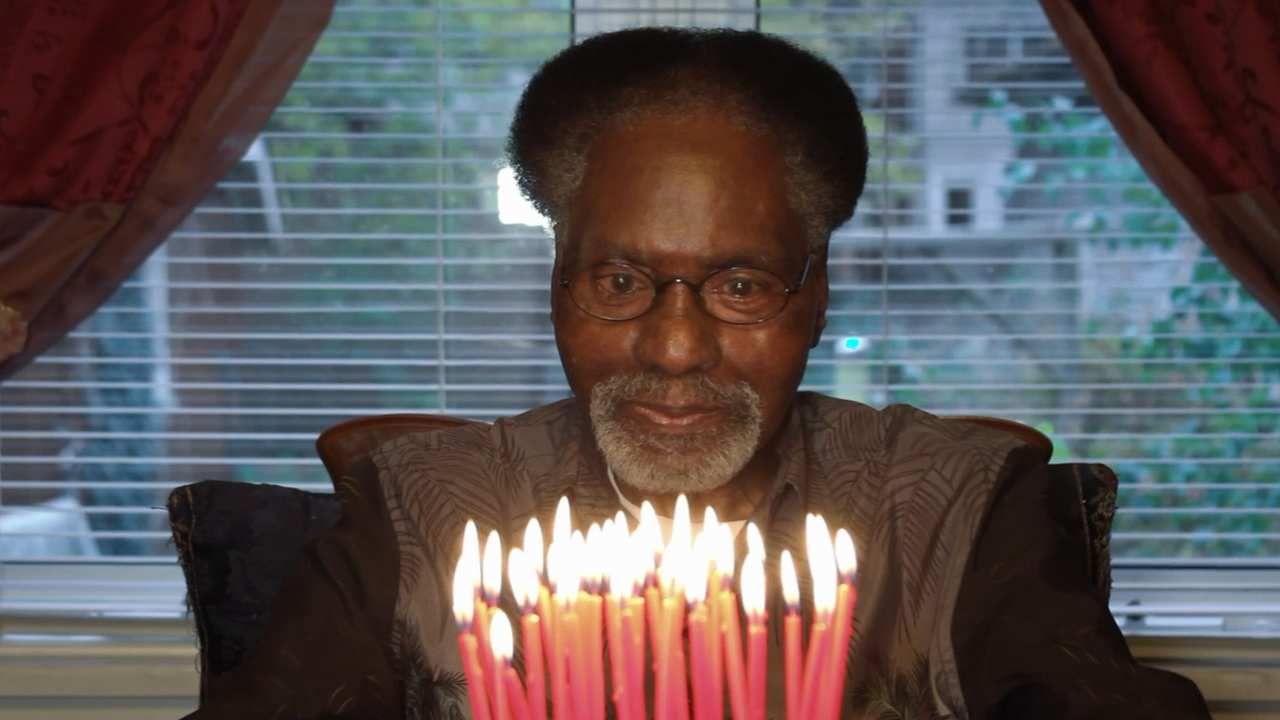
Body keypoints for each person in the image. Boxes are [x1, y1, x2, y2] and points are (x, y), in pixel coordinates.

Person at [187, 28, 1210, 719]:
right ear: (556, 285)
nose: (674, 349)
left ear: (815, 296)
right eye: (619, 281)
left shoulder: (953, 504)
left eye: (740, 285)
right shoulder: (419, 507)